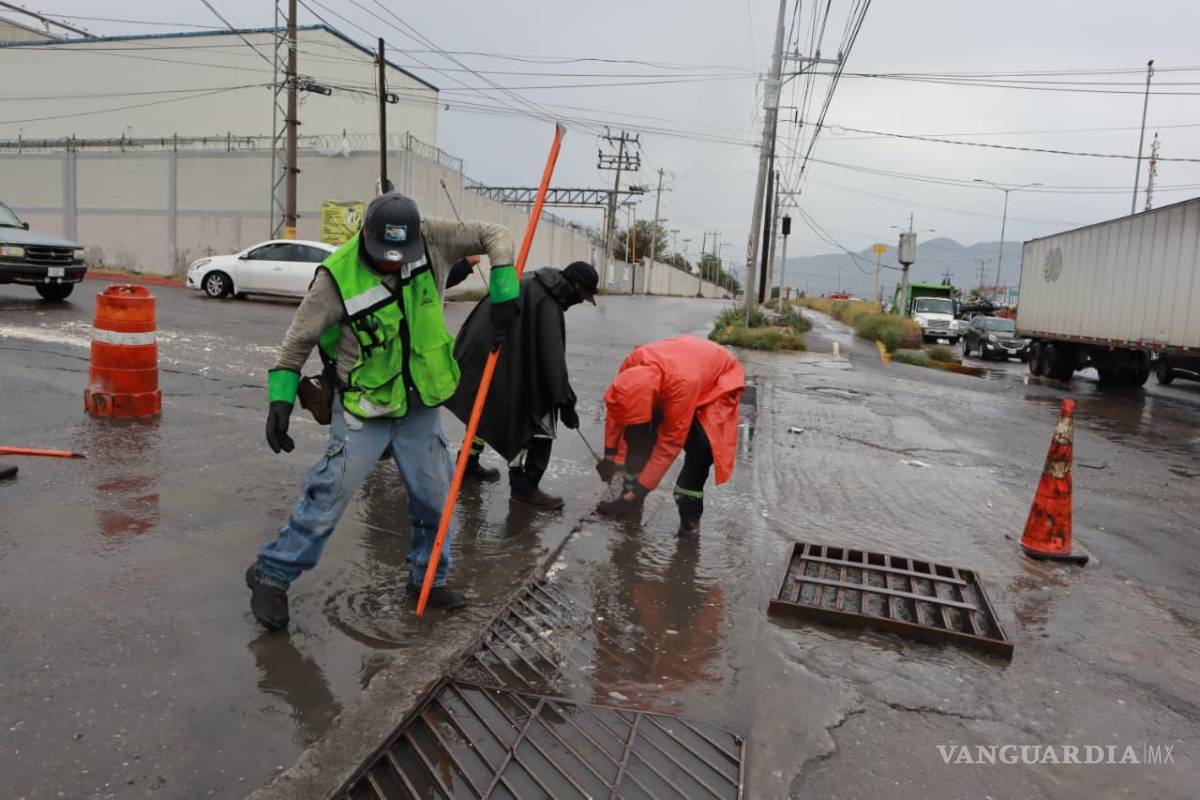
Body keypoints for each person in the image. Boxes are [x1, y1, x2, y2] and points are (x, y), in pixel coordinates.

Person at [246, 192, 520, 631]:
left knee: (436, 501)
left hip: (420, 405)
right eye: (383, 257)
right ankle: (271, 575)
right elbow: (296, 343)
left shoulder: (431, 237)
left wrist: (505, 286)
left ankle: (427, 579)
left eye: (400, 257)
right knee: (329, 498)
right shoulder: (336, 278)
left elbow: (496, 234)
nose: (393, 264)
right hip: (363, 406)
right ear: (365, 237)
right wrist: (279, 400)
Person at [447, 261, 598, 508]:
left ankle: (467, 464)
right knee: (537, 416)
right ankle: (524, 486)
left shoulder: (532, 281)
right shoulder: (548, 304)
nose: (581, 301)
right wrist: (565, 403)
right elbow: (552, 363)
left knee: (483, 409)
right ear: (576, 286)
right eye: (583, 296)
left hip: (478, 351)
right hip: (494, 353)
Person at [594, 336, 745, 536]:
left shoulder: (681, 386)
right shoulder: (632, 364)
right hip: (677, 371)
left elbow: (669, 446)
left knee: (701, 447)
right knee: (637, 434)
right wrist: (609, 456)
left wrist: (630, 498)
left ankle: (689, 519)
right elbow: (616, 412)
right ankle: (631, 498)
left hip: (715, 380)